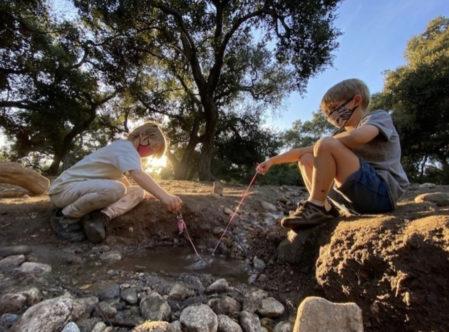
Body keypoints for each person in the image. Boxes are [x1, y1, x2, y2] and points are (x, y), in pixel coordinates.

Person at [257, 79, 409, 231]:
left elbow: (358, 137)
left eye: (334, 108)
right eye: (328, 113)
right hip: (350, 200)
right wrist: (272, 161)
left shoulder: (377, 117)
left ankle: (315, 205)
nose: (331, 116)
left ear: (356, 100)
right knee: (306, 158)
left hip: (381, 194)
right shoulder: (338, 136)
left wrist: (324, 145)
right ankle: (325, 208)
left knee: (325, 144)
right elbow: (303, 151)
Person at [48, 121, 183, 243]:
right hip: (62, 190)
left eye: (155, 151)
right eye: (154, 147)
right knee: (116, 189)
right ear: (142, 135)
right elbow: (137, 174)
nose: (151, 153)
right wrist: (165, 196)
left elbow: (122, 178)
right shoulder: (126, 147)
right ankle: (65, 217)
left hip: (80, 189)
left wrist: (140, 194)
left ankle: (100, 218)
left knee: (138, 191)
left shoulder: (125, 151)